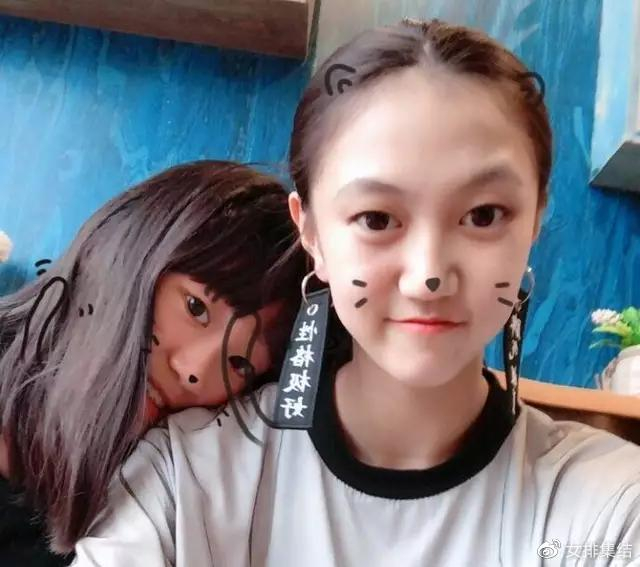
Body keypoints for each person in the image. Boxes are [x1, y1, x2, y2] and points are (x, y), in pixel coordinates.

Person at [72, 19, 640, 566]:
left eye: (484, 215)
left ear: (536, 218)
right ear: (311, 233)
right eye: (376, 218)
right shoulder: (183, 480)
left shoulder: (611, 508)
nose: (428, 277)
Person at [0, 160, 306, 563]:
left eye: (240, 364)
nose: (194, 370)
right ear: (131, 254)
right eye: (196, 308)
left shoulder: (160, 508)